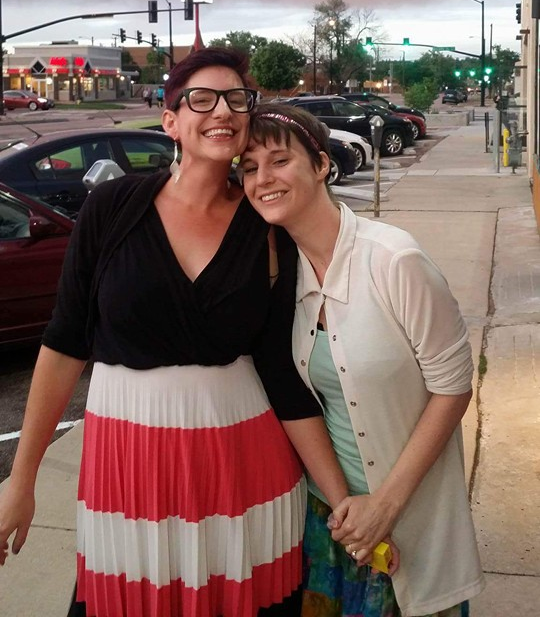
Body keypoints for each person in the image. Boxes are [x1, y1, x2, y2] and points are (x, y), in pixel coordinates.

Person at [0, 49, 348, 617]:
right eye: (202, 99)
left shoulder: (266, 226)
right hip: (128, 462)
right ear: (170, 122)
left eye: (237, 99)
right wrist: (22, 480)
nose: (223, 111)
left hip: (244, 464)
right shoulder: (113, 208)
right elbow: (64, 344)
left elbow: (281, 372)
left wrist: (341, 501)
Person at [239, 103, 486, 617]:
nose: (263, 179)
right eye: (248, 167)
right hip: (332, 519)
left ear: (322, 165)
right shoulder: (283, 276)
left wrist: (386, 507)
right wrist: (351, 513)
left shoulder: (395, 260)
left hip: (409, 512)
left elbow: (454, 387)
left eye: (279, 161)